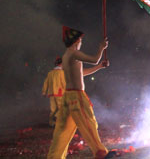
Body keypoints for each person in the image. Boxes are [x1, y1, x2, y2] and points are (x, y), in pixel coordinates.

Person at [47, 26, 115, 159]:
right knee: (89, 124)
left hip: (68, 96)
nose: (81, 43)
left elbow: (82, 73)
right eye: (80, 41)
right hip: (77, 97)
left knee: (62, 131)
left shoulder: (66, 56)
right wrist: (101, 47)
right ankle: (100, 153)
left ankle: (54, 156)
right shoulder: (74, 53)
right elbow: (94, 59)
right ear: (76, 41)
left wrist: (100, 66)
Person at [42, 57, 66, 127]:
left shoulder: (50, 73)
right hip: (60, 93)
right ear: (61, 64)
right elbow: (64, 83)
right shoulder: (61, 72)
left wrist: (44, 92)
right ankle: (60, 123)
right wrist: (68, 90)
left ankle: (51, 122)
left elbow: (46, 83)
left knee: (53, 109)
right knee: (61, 108)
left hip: (51, 94)